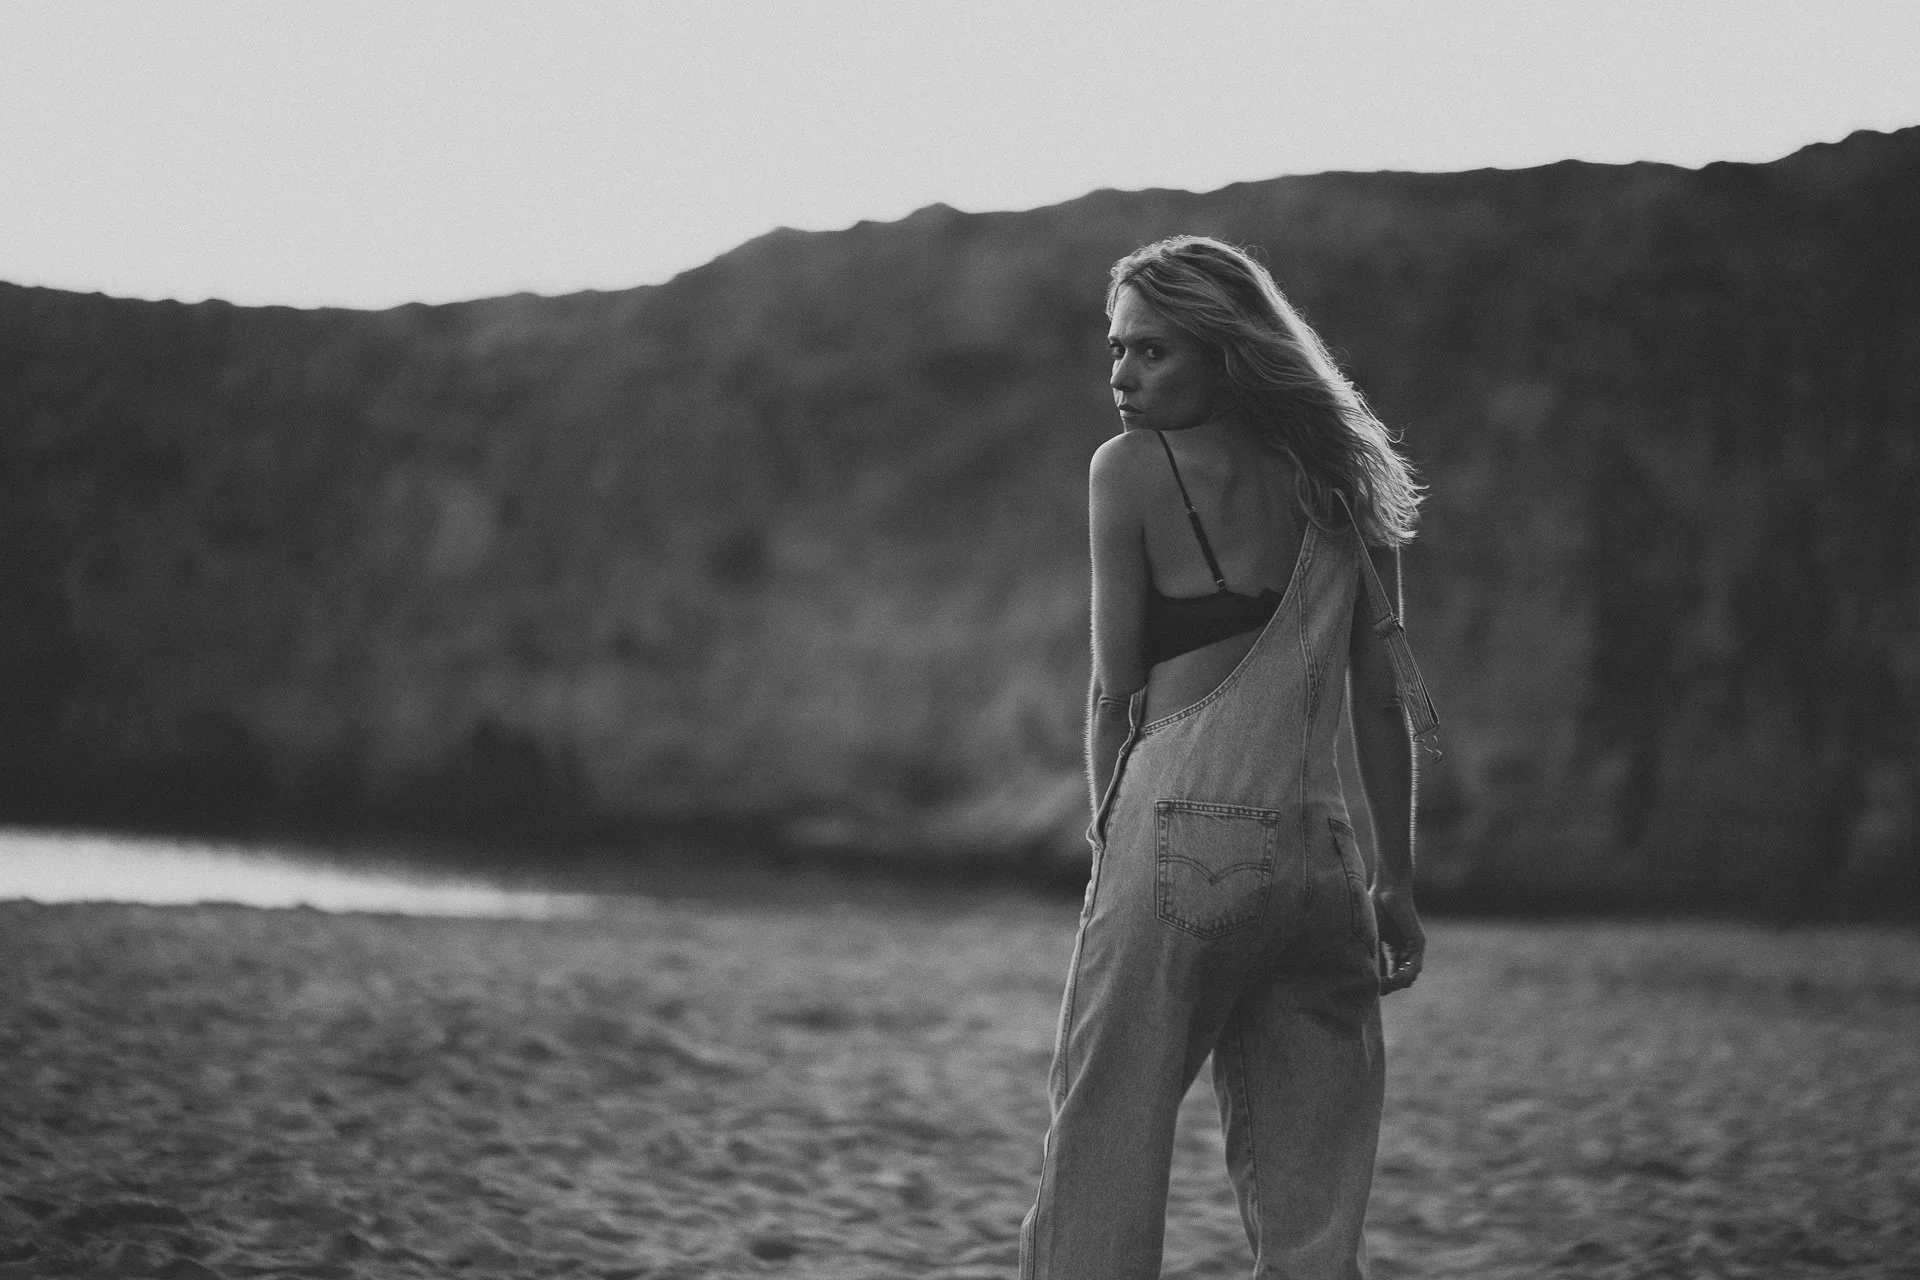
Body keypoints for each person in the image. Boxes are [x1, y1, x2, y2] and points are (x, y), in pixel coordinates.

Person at [1019, 235, 1438, 1280]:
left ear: (1225, 349)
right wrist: (1396, 878)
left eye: (1153, 351)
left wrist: (1107, 837)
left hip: (1178, 833)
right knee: (1312, 1205)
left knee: (1103, 1142)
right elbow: (1383, 699)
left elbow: (1116, 688)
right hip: (1323, 857)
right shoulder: (1347, 480)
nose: (1122, 375)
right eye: (1116, 350)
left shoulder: (1130, 470)